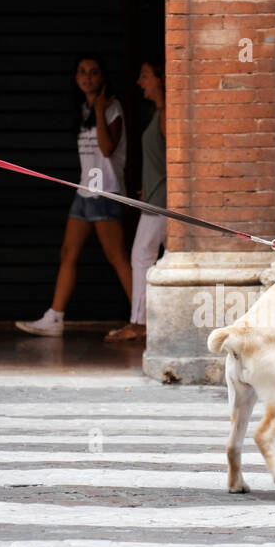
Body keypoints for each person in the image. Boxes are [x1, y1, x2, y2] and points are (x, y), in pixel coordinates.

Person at [17, 56, 131, 337]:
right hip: (84, 192)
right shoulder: (82, 109)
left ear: (103, 76)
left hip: (106, 193)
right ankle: (54, 318)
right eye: (82, 72)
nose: (87, 77)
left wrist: (102, 108)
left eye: (93, 72)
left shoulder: (112, 107)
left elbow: (106, 149)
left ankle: (145, 318)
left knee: (117, 257)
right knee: (68, 253)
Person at [106, 57, 167, 342]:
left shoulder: (166, 115)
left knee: (141, 257)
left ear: (159, 79)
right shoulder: (159, 113)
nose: (140, 82)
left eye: (145, 76)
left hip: (161, 205)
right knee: (151, 258)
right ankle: (149, 322)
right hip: (157, 197)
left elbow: (174, 160)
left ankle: (139, 324)